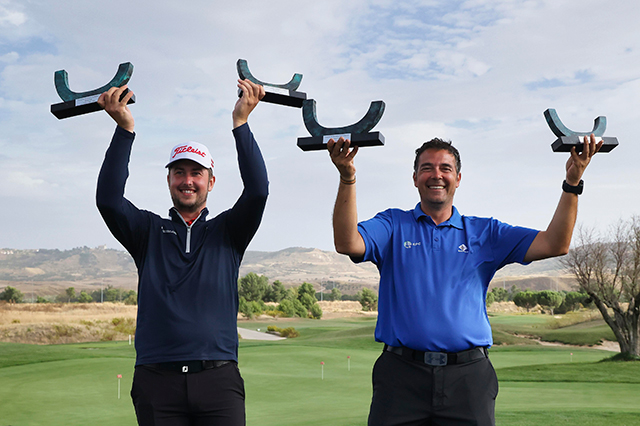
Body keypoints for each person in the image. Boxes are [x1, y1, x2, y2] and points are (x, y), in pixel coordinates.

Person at [327, 134, 601, 426]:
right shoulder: (393, 224)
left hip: (468, 380)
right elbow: (347, 242)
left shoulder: (486, 232)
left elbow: (555, 243)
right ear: (415, 178)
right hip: (400, 376)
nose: (436, 175)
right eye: (427, 168)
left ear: (457, 179)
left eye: (445, 168)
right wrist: (347, 178)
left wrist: (573, 182)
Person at [96, 79, 268, 426]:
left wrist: (241, 123)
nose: (187, 180)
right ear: (169, 180)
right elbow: (109, 200)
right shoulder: (147, 231)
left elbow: (258, 191)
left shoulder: (228, 231)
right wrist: (125, 129)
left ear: (211, 182)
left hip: (218, 378)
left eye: (196, 173)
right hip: (156, 379)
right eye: (179, 172)